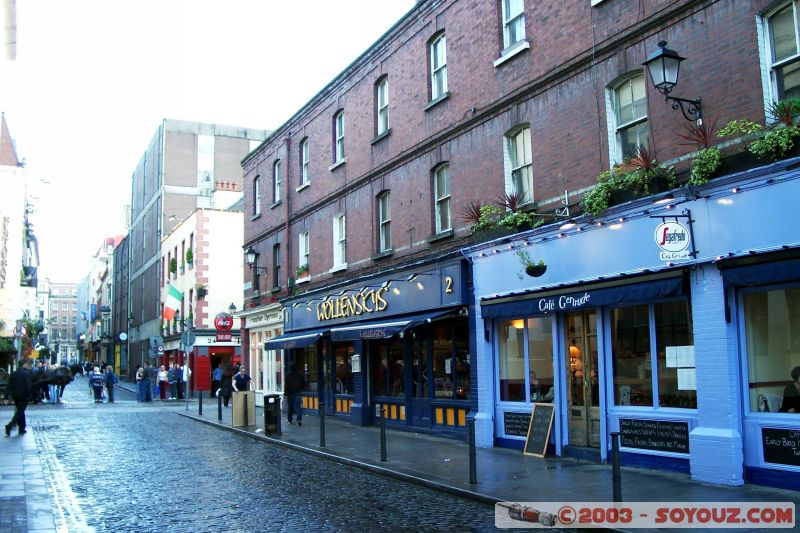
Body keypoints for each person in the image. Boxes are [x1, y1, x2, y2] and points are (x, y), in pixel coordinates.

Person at [5, 360, 33, 436]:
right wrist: (30, 396)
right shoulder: (26, 374)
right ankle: (9, 426)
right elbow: (28, 386)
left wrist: (6, 397)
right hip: (23, 396)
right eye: (28, 365)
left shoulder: (14, 373)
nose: (29, 366)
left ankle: (22, 428)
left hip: (15, 396)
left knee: (20, 411)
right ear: (25, 364)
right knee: (20, 412)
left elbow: (9, 386)